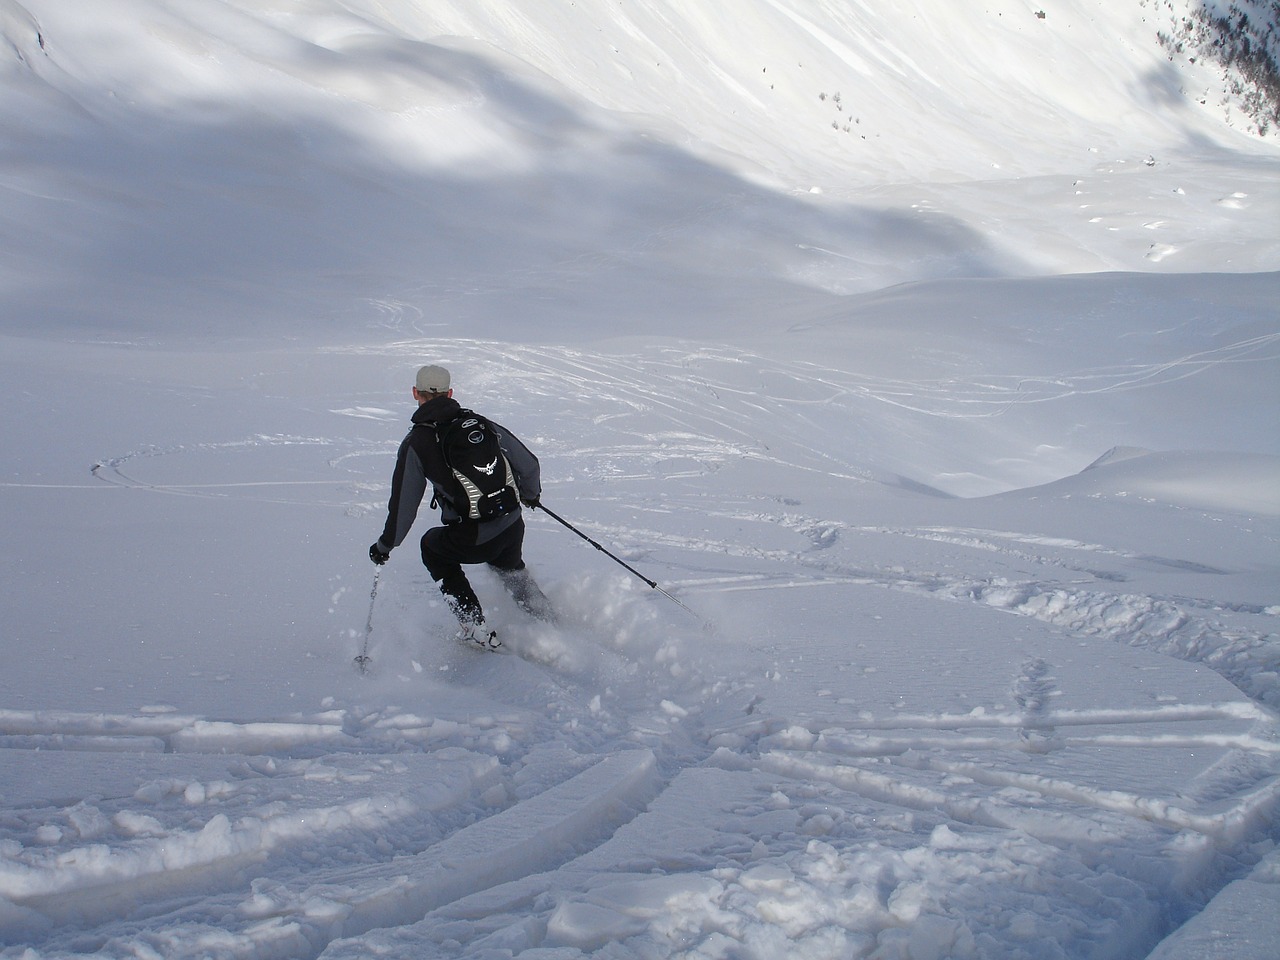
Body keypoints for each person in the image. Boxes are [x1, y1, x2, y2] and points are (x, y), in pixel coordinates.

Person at [370, 364, 552, 648]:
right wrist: (531, 495)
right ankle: (549, 619)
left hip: (473, 536)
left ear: (415, 393)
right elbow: (529, 464)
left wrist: (385, 546)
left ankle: (473, 625)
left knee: (432, 548)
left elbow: (404, 505)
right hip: (511, 523)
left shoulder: (417, 442)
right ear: (450, 393)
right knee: (510, 568)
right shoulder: (478, 422)